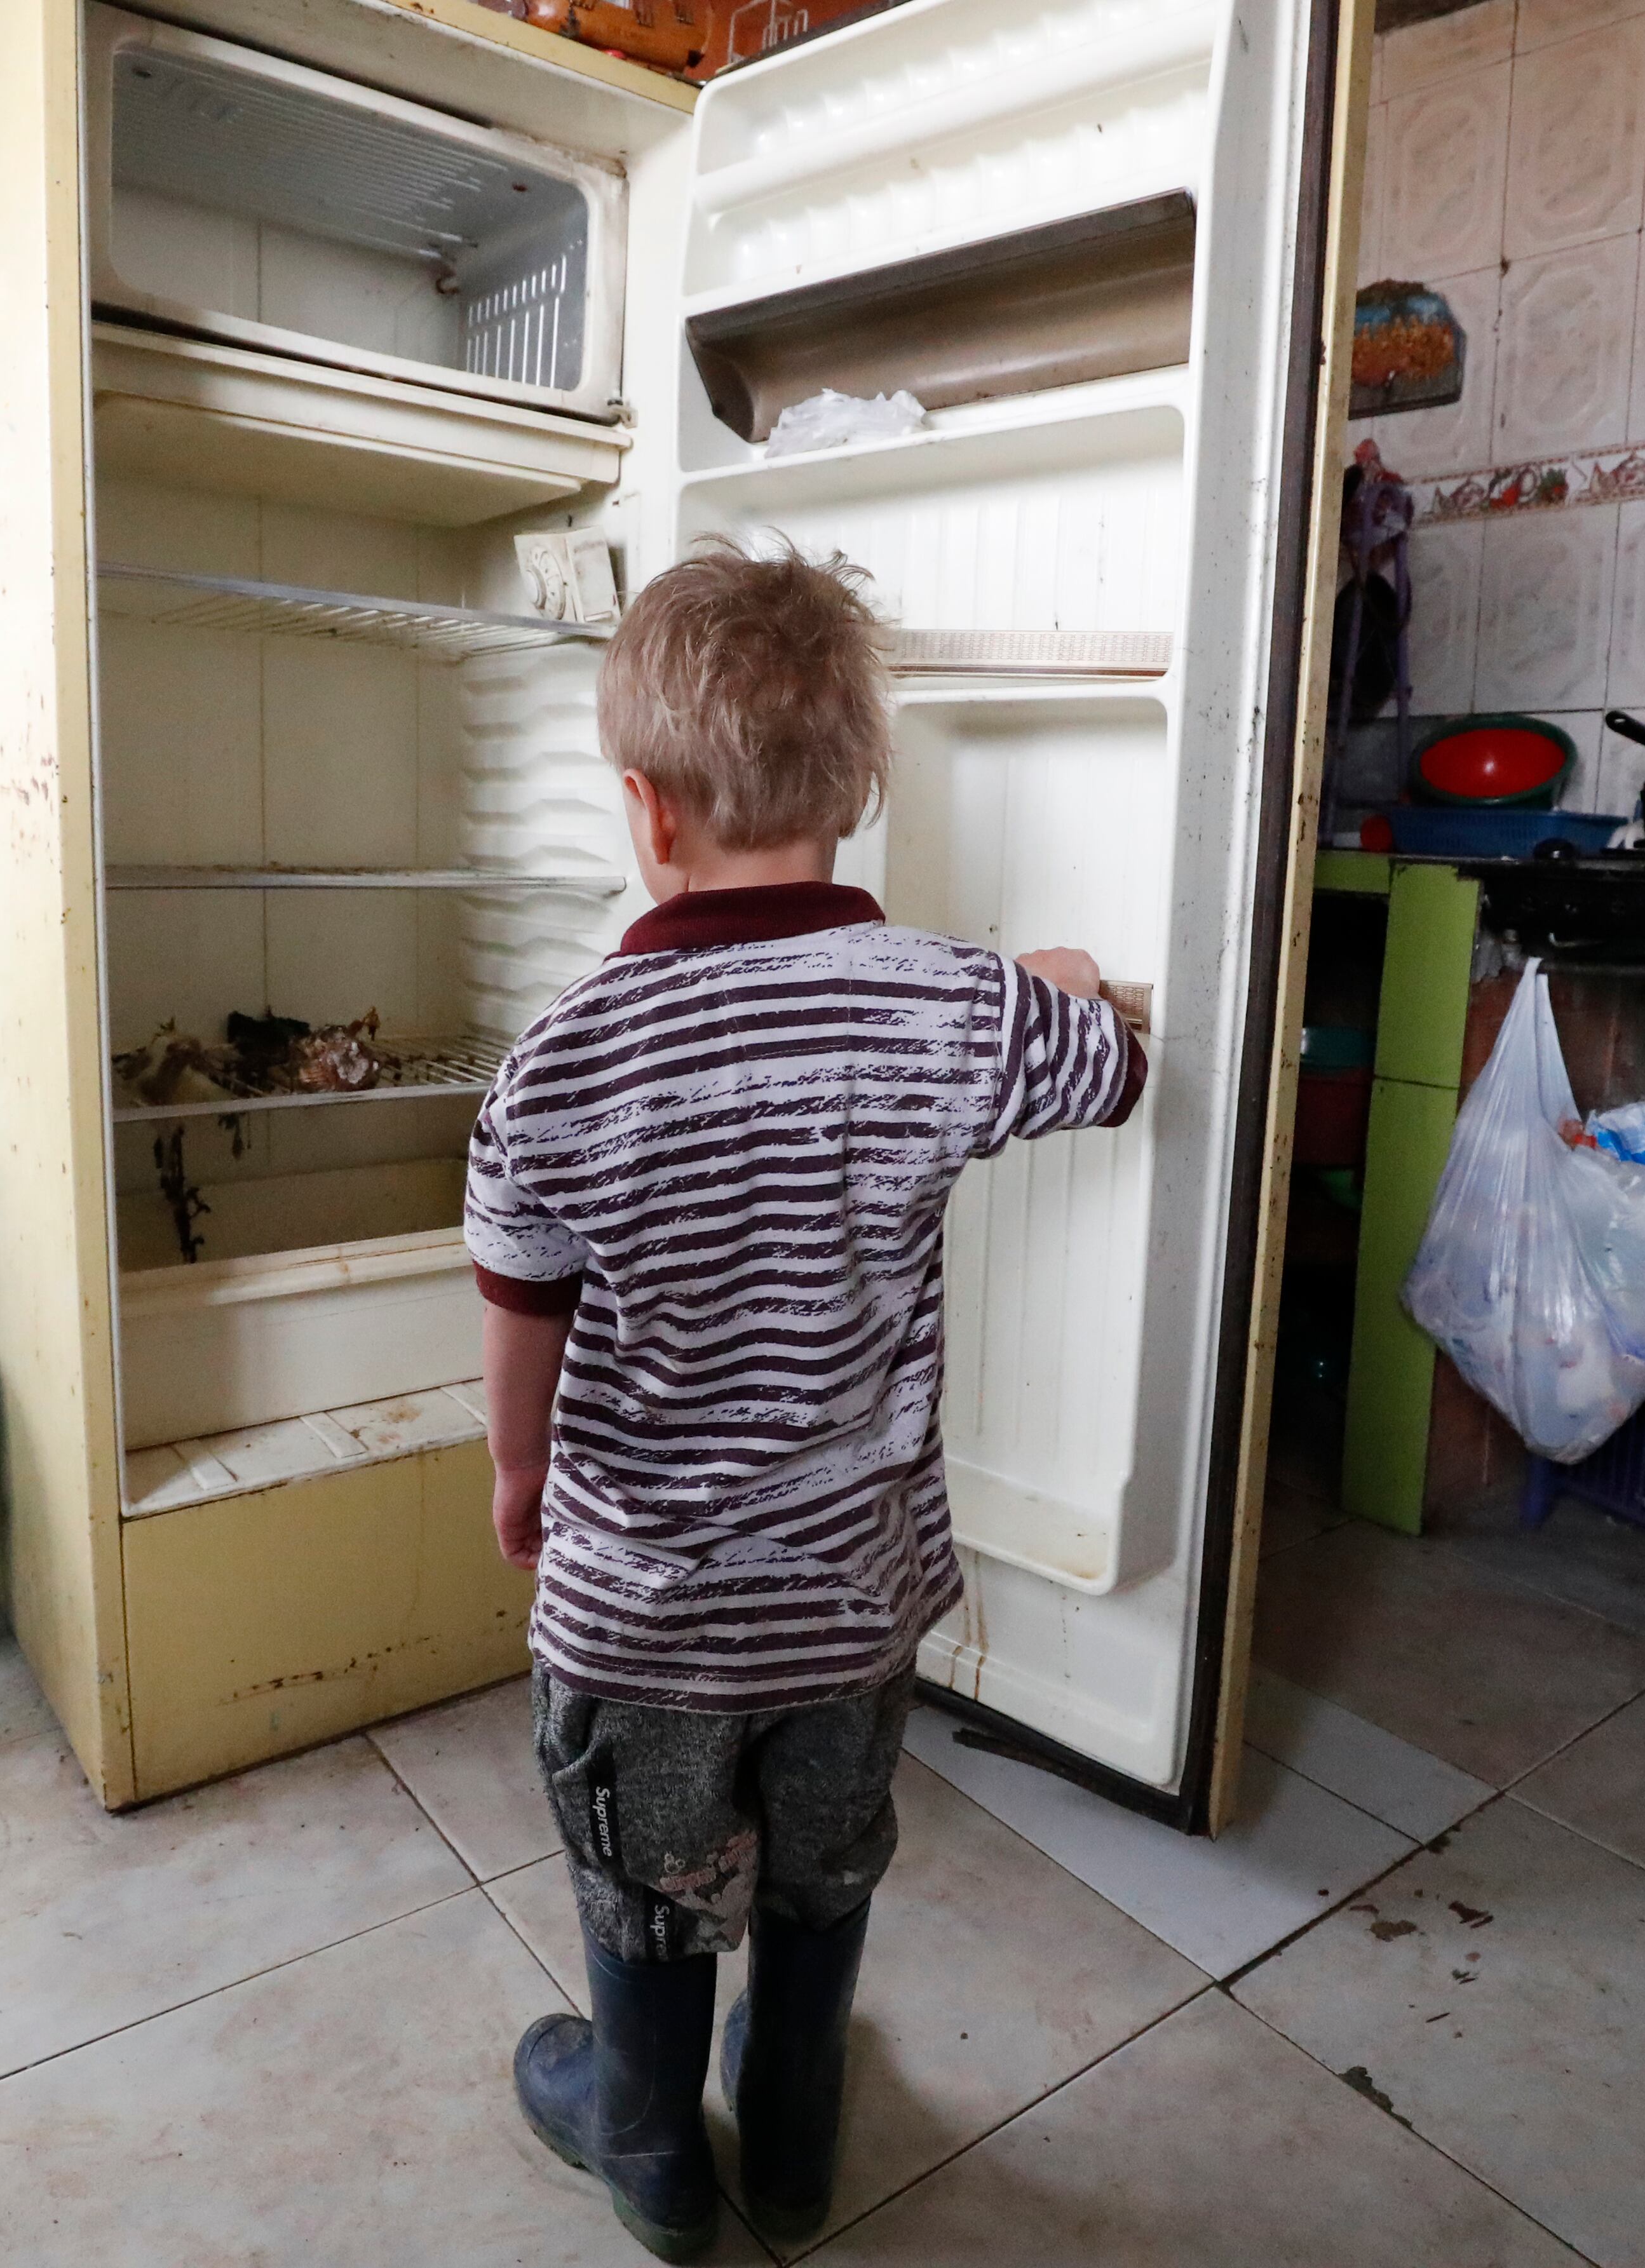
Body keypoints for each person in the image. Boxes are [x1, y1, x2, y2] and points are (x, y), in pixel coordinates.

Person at [462, 539, 1144, 2260]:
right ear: (863, 781)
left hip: (647, 1618)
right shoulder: (952, 1006)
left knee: (653, 1887)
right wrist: (1059, 981)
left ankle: (649, 2151)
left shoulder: (561, 1060)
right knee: (828, 1863)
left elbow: (521, 1294)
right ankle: (793, 2133)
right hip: (851, 1599)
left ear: (648, 812)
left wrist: (520, 1466)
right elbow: (1116, 1063)